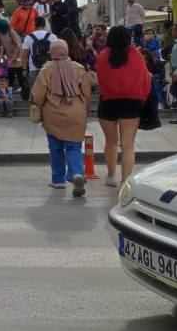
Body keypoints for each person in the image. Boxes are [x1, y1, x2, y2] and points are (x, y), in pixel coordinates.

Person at [31, 40, 91, 196]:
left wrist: (37, 105)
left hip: (53, 112)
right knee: (74, 147)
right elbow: (87, 93)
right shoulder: (79, 68)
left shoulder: (46, 69)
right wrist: (86, 109)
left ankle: (58, 179)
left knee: (55, 147)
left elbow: (38, 94)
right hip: (76, 112)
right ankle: (77, 173)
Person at [95, 25, 152, 186]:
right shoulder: (136, 55)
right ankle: (125, 180)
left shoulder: (103, 56)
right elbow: (145, 79)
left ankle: (111, 175)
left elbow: (100, 78)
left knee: (111, 142)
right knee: (128, 144)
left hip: (107, 102)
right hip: (131, 103)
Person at [20, 16, 58, 92]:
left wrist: (24, 69)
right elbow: (57, 53)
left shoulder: (28, 37)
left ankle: (36, 103)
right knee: (49, 91)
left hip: (33, 68)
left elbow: (24, 55)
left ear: (34, 25)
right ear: (44, 25)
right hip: (49, 67)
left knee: (35, 92)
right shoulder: (52, 37)